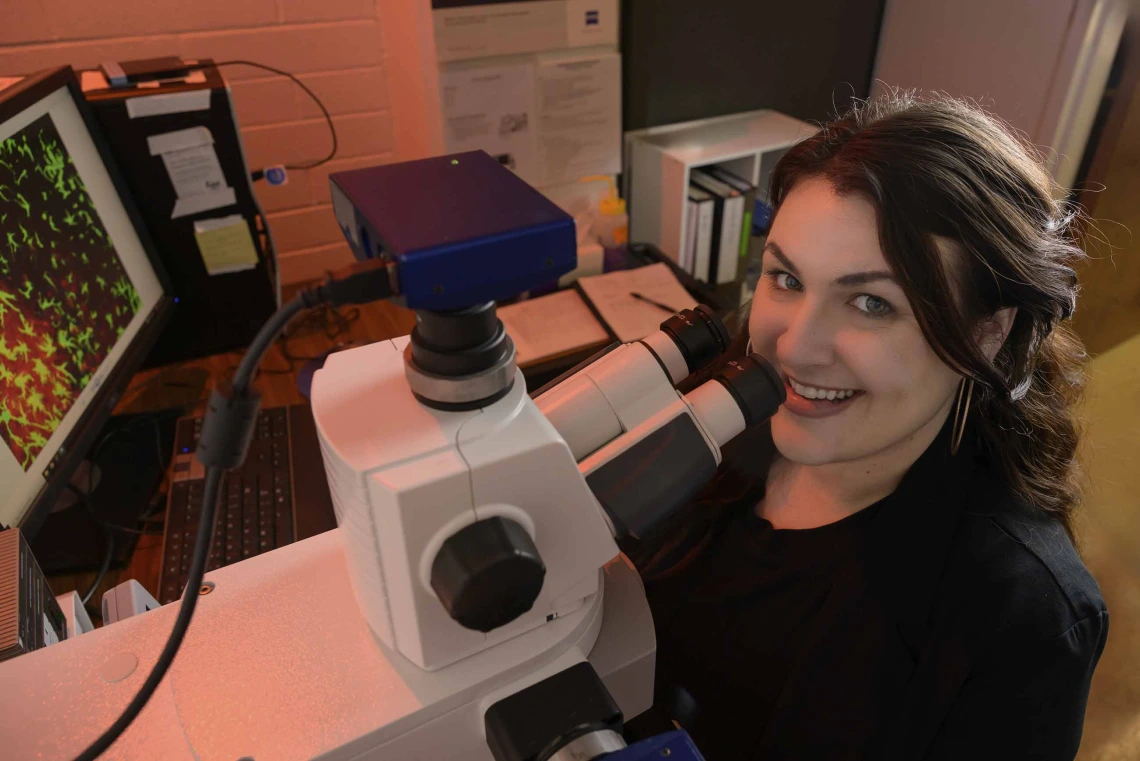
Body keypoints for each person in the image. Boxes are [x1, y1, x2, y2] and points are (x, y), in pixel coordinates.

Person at [631, 92, 1109, 760]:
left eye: (870, 302)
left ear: (989, 331)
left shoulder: (1024, 619)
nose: (795, 345)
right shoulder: (716, 422)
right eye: (787, 279)